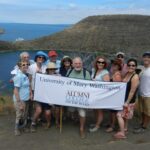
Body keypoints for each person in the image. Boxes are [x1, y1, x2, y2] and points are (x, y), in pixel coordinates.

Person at [114, 58, 139, 139]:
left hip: (129, 101)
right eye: (129, 65)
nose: (131, 67)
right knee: (125, 116)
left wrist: (127, 102)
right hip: (124, 99)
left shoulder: (135, 77)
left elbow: (132, 91)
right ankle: (125, 129)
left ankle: (122, 133)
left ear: (136, 67)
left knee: (119, 115)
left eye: (133, 65)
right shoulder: (127, 73)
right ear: (127, 66)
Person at [67, 57, 91, 138]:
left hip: (82, 98)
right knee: (71, 110)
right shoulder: (69, 71)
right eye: (76, 63)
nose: (78, 65)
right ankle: (75, 118)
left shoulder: (86, 73)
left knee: (82, 113)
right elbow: (65, 83)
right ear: (73, 64)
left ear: (82, 64)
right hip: (71, 97)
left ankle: (81, 129)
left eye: (79, 63)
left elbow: (90, 86)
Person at [28, 51, 48, 132]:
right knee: (38, 109)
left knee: (42, 108)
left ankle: (40, 120)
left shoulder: (45, 67)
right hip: (34, 90)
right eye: (39, 57)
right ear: (36, 58)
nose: (41, 59)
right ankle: (33, 123)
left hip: (43, 91)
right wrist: (31, 93)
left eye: (42, 58)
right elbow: (29, 81)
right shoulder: (31, 67)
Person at [89, 56, 110, 132]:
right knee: (95, 109)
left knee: (99, 110)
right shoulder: (94, 70)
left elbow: (107, 86)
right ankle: (96, 122)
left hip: (100, 94)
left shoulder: (105, 72)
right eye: (99, 62)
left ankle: (97, 126)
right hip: (93, 93)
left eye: (102, 62)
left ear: (104, 64)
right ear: (96, 62)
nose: (100, 64)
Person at [13, 60, 32, 136]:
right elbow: (16, 91)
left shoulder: (25, 75)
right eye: (23, 65)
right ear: (20, 67)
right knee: (19, 115)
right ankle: (16, 129)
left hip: (26, 98)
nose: (26, 66)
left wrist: (30, 94)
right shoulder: (18, 76)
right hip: (21, 100)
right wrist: (19, 103)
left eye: (27, 64)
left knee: (25, 114)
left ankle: (23, 127)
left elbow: (28, 86)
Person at [134, 52, 150, 133]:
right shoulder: (141, 68)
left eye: (148, 57)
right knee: (142, 111)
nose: (146, 58)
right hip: (141, 94)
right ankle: (142, 123)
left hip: (148, 95)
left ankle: (144, 127)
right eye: (145, 57)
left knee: (147, 111)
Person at [106, 58, 122, 132]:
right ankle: (111, 123)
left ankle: (113, 126)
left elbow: (117, 87)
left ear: (119, 66)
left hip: (115, 96)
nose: (113, 65)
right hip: (112, 95)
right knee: (111, 111)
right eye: (113, 64)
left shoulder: (117, 74)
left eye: (116, 65)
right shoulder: (114, 73)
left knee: (113, 112)